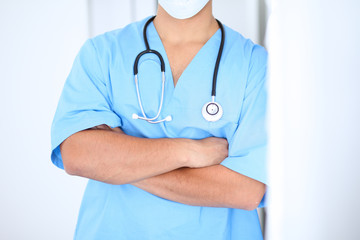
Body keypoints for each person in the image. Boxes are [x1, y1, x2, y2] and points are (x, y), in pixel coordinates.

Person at [51, 0, 268, 239]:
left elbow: (246, 190)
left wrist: (116, 163)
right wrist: (188, 151)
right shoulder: (103, 53)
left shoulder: (254, 64)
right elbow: (78, 155)